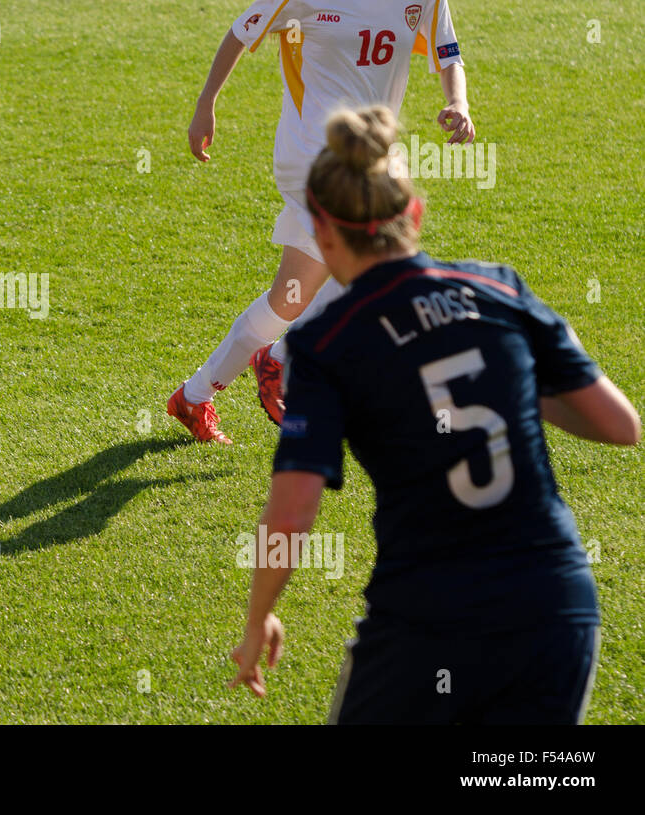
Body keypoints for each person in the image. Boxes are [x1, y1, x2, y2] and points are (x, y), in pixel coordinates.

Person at [228, 105, 640, 723]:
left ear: (322, 231)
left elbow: (291, 512)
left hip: (426, 621)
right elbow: (620, 425)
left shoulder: (325, 344)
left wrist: (259, 618)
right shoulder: (500, 290)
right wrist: (517, 386)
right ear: (415, 212)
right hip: (555, 605)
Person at [169, 0, 474, 444]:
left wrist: (458, 103)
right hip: (310, 152)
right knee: (372, 269)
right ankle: (285, 359)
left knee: (293, 293)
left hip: (369, 158)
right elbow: (240, 31)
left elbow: (447, 51)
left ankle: (197, 395)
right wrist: (206, 104)